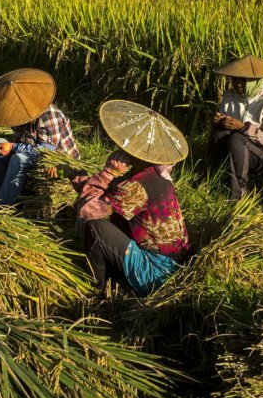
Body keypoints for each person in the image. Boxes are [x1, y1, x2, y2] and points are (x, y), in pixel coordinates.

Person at [71, 100, 191, 295]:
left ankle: (97, 290)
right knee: (113, 217)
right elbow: (112, 195)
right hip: (175, 261)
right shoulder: (156, 175)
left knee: (96, 229)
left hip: (157, 271)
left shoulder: (137, 186)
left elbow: (87, 211)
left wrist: (108, 172)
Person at [0, 68, 79, 206]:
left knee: (18, 159)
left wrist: (13, 147)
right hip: (32, 150)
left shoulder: (49, 115)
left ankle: (3, 204)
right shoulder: (16, 114)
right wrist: (9, 146)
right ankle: (5, 190)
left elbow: (46, 151)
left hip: (58, 160)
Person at [207, 55, 263, 200]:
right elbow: (224, 126)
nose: (238, 84)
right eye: (235, 79)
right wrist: (218, 121)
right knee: (219, 132)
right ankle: (209, 178)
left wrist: (243, 127)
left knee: (238, 138)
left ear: (256, 81)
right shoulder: (230, 95)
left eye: (244, 80)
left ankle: (238, 196)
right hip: (235, 147)